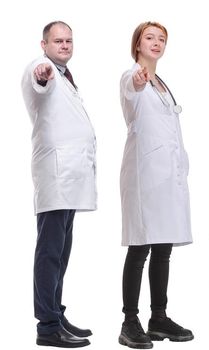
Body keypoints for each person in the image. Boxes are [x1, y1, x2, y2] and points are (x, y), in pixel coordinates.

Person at [117, 21, 194, 349]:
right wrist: (138, 79)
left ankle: (158, 318)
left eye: (162, 38)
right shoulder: (130, 76)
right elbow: (132, 88)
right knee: (140, 246)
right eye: (150, 37)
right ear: (137, 44)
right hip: (144, 175)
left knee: (163, 247)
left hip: (168, 176)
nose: (156, 42)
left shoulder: (162, 83)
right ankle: (129, 321)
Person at [22, 20, 95, 348]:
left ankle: (57, 313)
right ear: (44, 45)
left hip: (71, 178)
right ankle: (47, 326)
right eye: (58, 41)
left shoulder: (65, 76)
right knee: (50, 252)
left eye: (68, 41)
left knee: (61, 252)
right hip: (56, 175)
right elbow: (38, 76)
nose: (64, 45)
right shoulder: (42, 70)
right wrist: (43, 73)